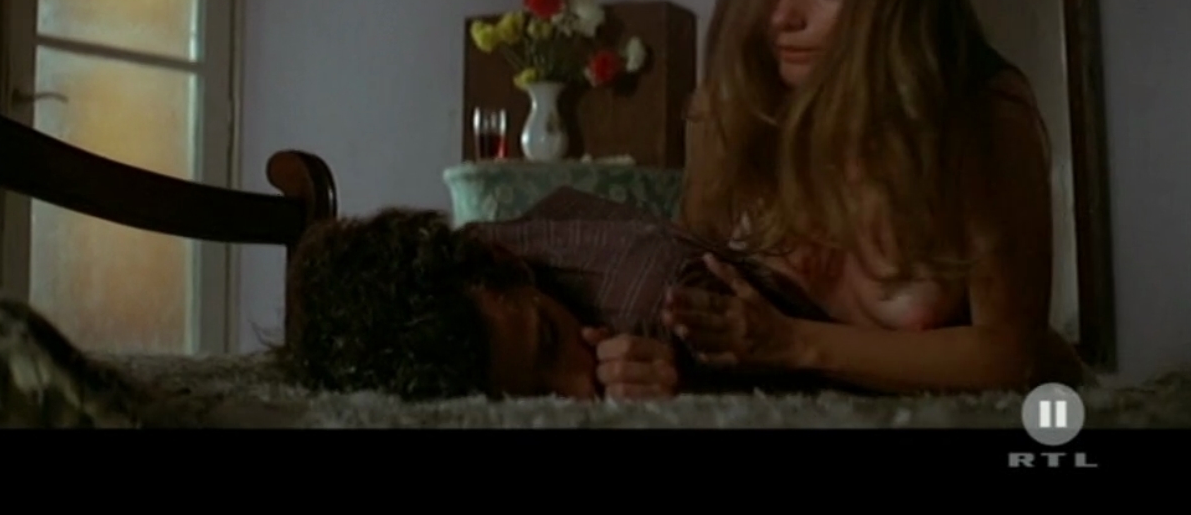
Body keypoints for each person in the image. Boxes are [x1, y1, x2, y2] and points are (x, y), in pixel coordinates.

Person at [664, 0, 1089, 394]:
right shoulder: (731, 110)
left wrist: (793, 342)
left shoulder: (980, 116)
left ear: (899, 0)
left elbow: (1011, 355)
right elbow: (675, 283)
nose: (782, 15)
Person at [275, 187, 837, 401]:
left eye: (549, 340)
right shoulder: (474, 260)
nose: (580, 389)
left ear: (505, 261)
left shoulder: (658, 308)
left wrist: (695, 393)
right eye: (534, 398)